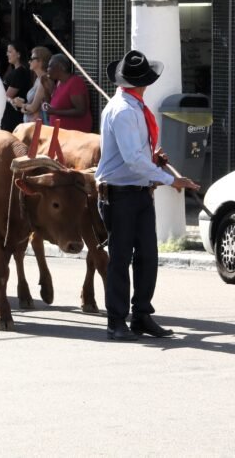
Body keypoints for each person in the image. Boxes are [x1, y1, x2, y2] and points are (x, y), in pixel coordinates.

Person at [96, 50, 199, 341]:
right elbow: (131, 160)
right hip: (120, 193)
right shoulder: (125, 110)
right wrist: (171, 180)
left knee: (147, 256)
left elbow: (137, 156)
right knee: (120, 257)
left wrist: (152, 157)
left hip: (139, 191)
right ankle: (116, 321)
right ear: (144, 83)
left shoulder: (134, 107)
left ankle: (141, 314)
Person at [41, 54, 91, 132]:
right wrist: (45, 87)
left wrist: (55, 112)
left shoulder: (75, 82)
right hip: (60, 133)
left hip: (74, 134)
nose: (47, 69)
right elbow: (52, 104)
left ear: (61, 67)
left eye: (50, 66)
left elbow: (81, 110)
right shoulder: (59, 83)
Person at [11, 45, 52, 124]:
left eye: (32, 59)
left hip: (39, 127)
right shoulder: (37, 79)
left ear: (40, 61)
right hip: (32, 124)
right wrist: (24, 106)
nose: (29, 61)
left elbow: (34, 108)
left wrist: (21, 104)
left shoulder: (44, 80)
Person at [0, 41, 32, 132]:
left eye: (10, 52)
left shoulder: (19, 72)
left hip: (13, 115)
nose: (7, 54)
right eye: (7, 52)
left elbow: (8, 95)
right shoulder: (14, 70)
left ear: (18, 54)